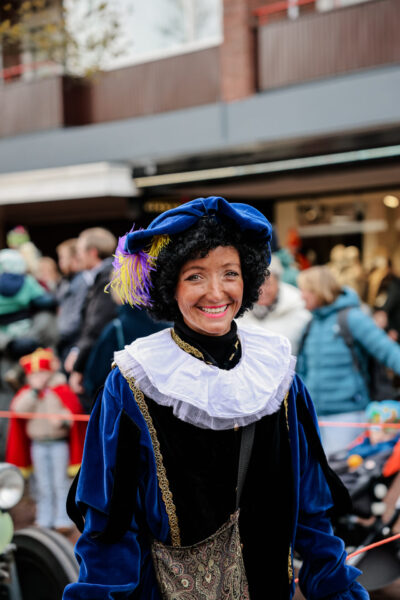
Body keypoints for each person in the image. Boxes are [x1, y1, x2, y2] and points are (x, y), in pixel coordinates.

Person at [64, 197, 368, 600]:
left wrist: (337, 590)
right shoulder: (134, 381)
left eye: (230, 273)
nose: (216, 292)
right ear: (171, 286)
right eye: (195, 276)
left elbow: (311, 510)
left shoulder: (277, 375)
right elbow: (110, 527)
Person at [297, 266, 400, 455]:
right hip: (315, 418)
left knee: (343, 471)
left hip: (348, 417)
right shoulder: (310, 325)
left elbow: (388, 351)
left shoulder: (352, 318)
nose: (301, 296)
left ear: (319, 290)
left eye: (305, 290)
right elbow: (302, 371)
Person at [6, 348, 86, 533]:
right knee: (42, 484)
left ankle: (63, 519)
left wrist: (63, 420)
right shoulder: (28, 393)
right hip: (38, 445)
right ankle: (44, 518)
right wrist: (34, 392)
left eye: (42, 373)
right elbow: (18, 409)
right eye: (35, 375)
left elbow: (72, 412)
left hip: (58, 444)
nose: (39, 378)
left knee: (61, 483)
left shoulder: (59, 389)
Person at [65, 228, 117, 400]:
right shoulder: (104, 275)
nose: (77, 256)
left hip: (103, 364)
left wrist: (78, 367)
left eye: (79, 251)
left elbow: (96, 326)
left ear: (92, 252)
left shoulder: (108, 278)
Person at [242, 254, 310, 354]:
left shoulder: (299, 307)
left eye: (266, 283)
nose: (261, 290)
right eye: (255, 284)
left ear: (278, 282)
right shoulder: (239, 310)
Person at [56, 239, 91, 363]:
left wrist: (63, 333)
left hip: (74, 341)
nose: (60, 262)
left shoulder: (82, 281)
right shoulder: (68, 281)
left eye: (62, 258)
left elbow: (78, 314)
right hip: (67, 339)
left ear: (75, 258)